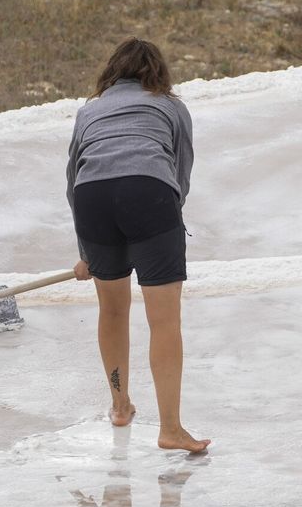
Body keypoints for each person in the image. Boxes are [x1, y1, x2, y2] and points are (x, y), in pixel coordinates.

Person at [65, 37, 210, 454]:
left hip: (92, 199)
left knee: (112, 308)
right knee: (163, 319)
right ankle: (170, 430)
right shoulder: (170, 106)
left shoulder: (88, 111)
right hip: (149, 191)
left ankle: (120, 406)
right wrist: (158, 223)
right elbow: (180, 174)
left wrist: (88, 253)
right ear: (158, 74)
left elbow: (74, 181)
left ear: (110, 73)